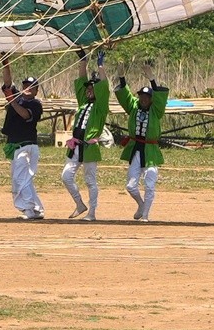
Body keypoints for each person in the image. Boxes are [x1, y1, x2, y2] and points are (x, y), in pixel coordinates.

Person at [63, 52, 110, 221]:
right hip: (76, 146)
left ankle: (92, 212)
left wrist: (100, 67)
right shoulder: (83, 102)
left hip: (89, 147)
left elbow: (104, 87)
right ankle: (80, 204)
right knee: (66, 176)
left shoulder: (100, 106)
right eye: (89, 89)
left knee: (90, 180)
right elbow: (81, 81)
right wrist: (82, 61)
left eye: (92, 89)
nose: (89, 91)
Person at [116, 76, 169, 222]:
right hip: (136, 150)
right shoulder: (133, 108)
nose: (144, 99)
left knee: (149, 185)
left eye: (147, 97)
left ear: (151, 99)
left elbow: (160, 99)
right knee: (130, 186)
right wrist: (122, 78)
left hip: (150, 151)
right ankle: (141, 205)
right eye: (141, 96)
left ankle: (145, 215)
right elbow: (125, 97)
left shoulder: (156, 111)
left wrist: (152, 79)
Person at [0, 61, 45, 221]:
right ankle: (37, 208)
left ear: (37, 90)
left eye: (31, 86)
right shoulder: (17, 97)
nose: (27, 88)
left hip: (26, 146)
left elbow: (26, 115)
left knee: (20, 179)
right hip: (17, 145)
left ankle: (29, 209)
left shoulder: (36, 104)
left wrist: (12, 101)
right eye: (25, 85)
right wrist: (6, 65)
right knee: (24, 178)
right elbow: (7, 84)